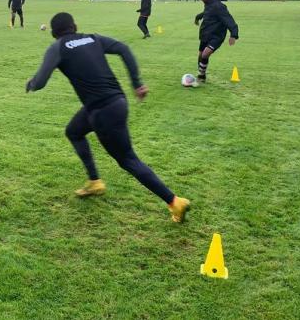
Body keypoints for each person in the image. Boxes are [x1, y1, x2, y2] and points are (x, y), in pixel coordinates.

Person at [25, 12, 191, 223]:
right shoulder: (92, 38)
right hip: (116, 102)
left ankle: (174, 201)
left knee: (128, 159)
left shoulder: (57, 48)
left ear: (54, 33)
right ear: (75, 26)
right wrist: (137, 83)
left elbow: (40, 82)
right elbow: (123, 48)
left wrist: (30, 83)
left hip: (102, 111)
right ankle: (95, 181)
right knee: (74, 131)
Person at [194, 0, 239, 83]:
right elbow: (207, 13)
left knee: (205, 54)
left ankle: (201, 76)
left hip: (217, 36)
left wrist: (233, 35)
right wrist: (198, 17)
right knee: (201, 55)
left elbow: (229, 20)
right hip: (205, 34)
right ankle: (202, 74)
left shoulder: (219, 6)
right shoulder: (209, 4)